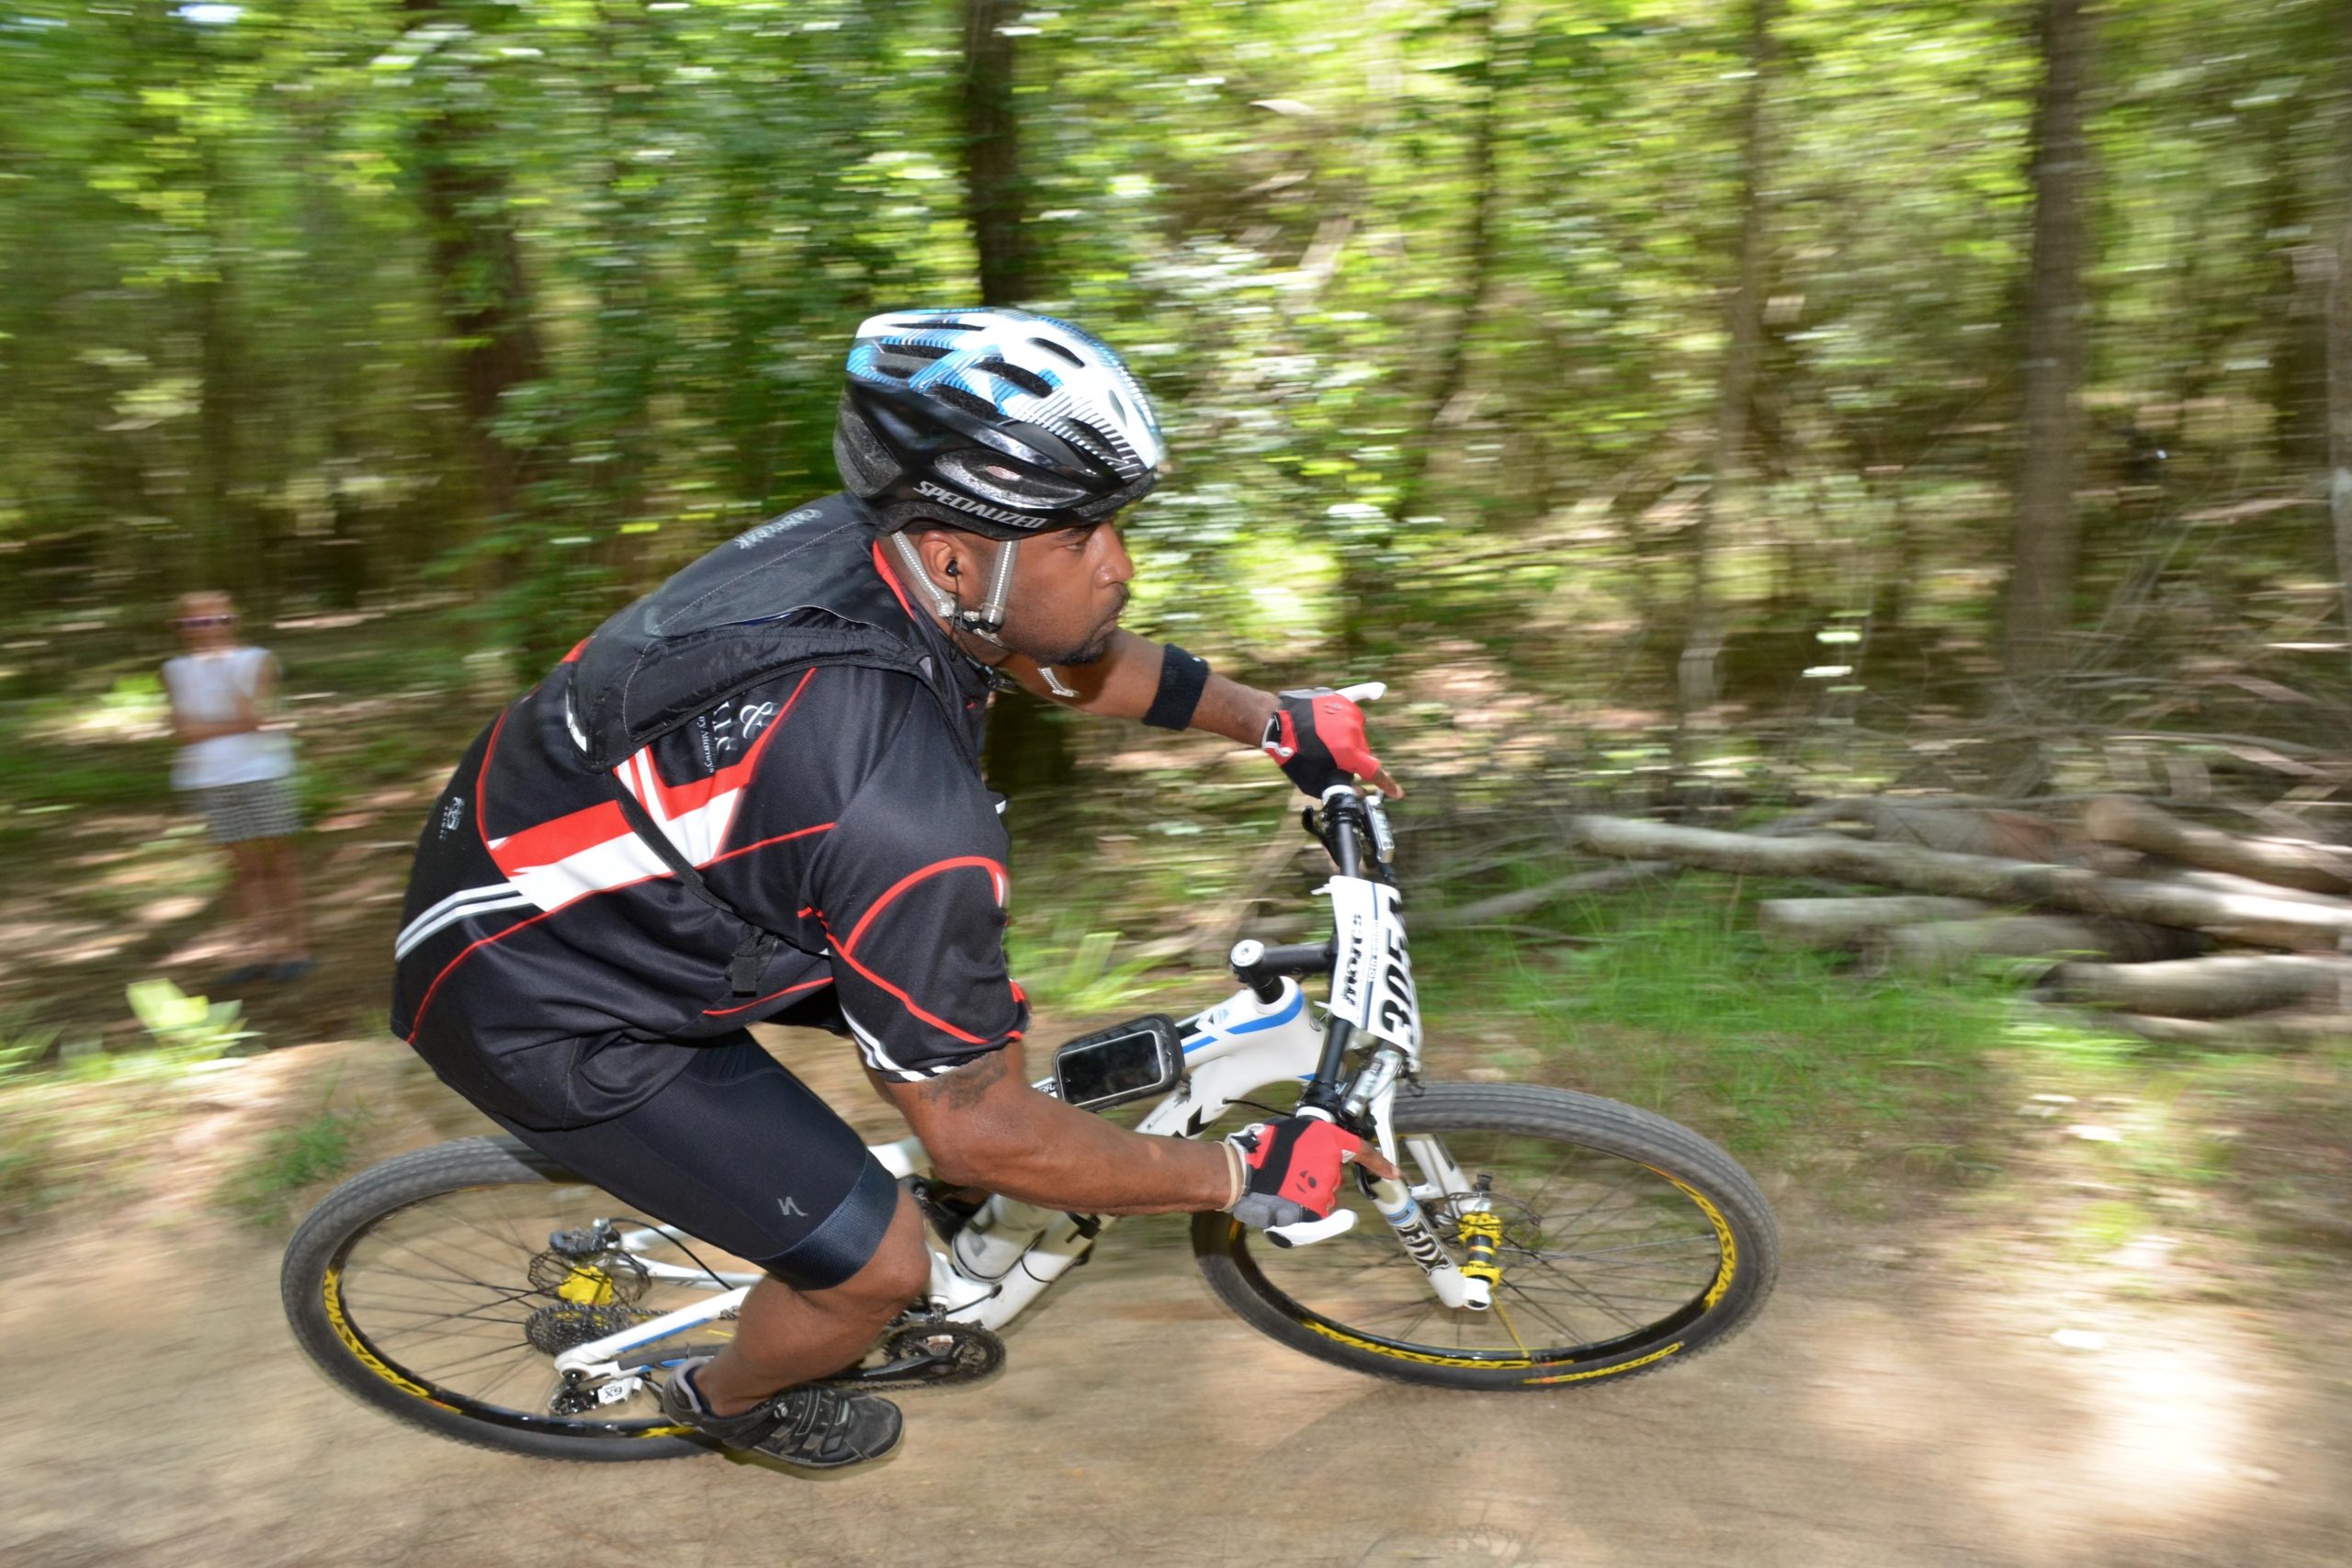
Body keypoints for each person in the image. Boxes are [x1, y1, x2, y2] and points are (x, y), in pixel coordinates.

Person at [390, 308, 1398, 1471]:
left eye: (1115, 524)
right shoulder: (903, 813)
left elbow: (1057, 657)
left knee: (965, 1022)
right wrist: (1238, 1171)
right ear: (955, 550)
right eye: (1080, 535)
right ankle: (724, 1404)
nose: (1118, 565)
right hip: (542, 994)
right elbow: (974, 1136)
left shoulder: (881, 553)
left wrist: (1273, 720)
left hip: (606, 871)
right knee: (880, 1264)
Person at [162, 591, 311, 986]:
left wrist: (211, 717)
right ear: (180, 628)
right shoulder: (174, 669)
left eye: (216, 620)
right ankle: (256, 951)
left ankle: (295, 948)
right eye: (194, 622)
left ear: (232, 621)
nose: (205, 630)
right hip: (210, 778)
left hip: (261, 772)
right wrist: (226, 725)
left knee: (279, 862)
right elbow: (181, 731)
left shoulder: (257, 659)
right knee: (243, 869)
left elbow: (254, 717)